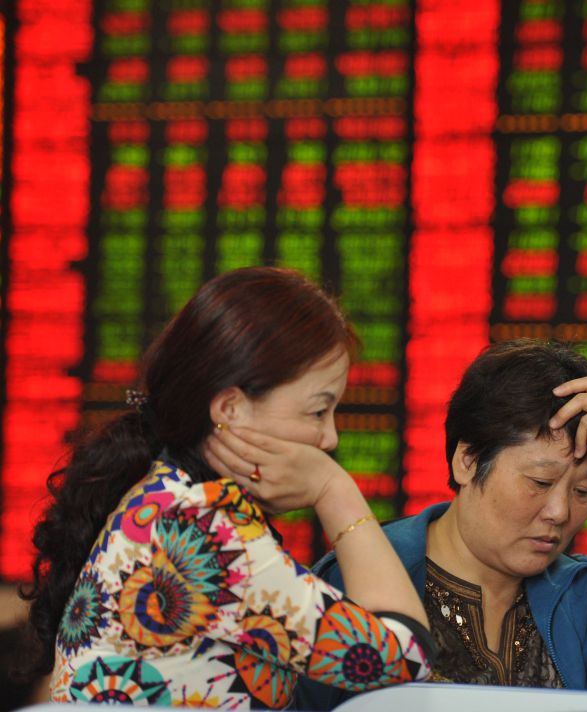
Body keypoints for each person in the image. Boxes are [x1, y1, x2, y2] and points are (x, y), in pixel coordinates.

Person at [222, 338, 587, 707]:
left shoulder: (584, 600)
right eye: (538, 483)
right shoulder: (364, 577)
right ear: (466, 461)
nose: (559, 513)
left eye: (583, 491)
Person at [22, 267, 433, 707]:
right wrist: (336, 490)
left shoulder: (168, 498)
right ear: (231, 409)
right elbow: (404, 655)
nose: (329, 438)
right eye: (318, 412)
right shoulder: (201, 528)